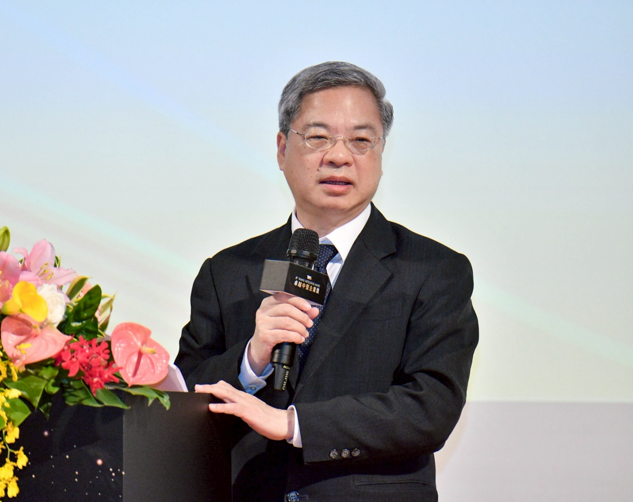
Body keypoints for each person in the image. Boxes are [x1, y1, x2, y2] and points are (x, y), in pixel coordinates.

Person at [175, 61, 478, 502]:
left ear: (380, 154)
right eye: (318, 137)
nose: (339, 156)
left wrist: (296, 424)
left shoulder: (433, 269)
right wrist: (251, 360)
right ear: (282, 149)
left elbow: (431, 405)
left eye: (361, 140)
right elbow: (183, 398)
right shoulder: (228, 270)